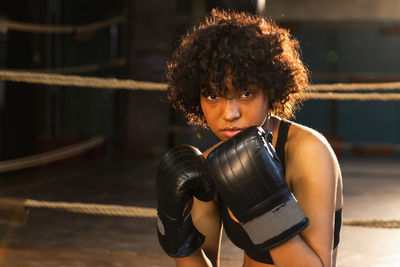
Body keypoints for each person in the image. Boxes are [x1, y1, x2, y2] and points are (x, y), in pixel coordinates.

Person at [156, 8, 343, 267]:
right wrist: (178, 238)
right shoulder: (207, 169)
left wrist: (265, 210)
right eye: (212, 95)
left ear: (270, 91)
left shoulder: (308, 152)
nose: (230, 113)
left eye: (246, 94)